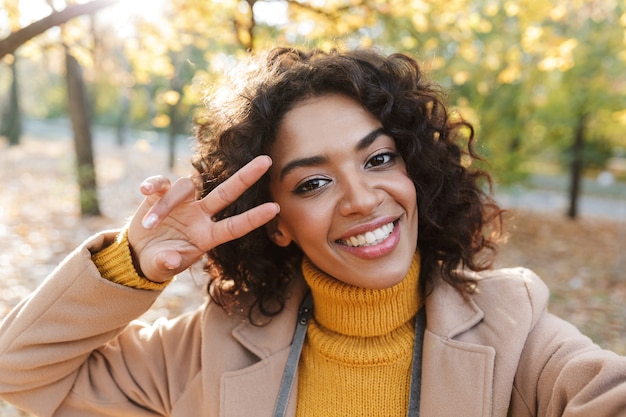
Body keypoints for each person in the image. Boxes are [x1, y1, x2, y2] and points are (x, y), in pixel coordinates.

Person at [0, 46, 625, 417]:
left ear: (415, 172)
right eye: (312, 184)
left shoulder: (516, 331)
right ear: (274, 224)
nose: (361, 199)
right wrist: (129, 266)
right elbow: (21, 372)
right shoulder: (209, 347)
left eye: (378, 159)